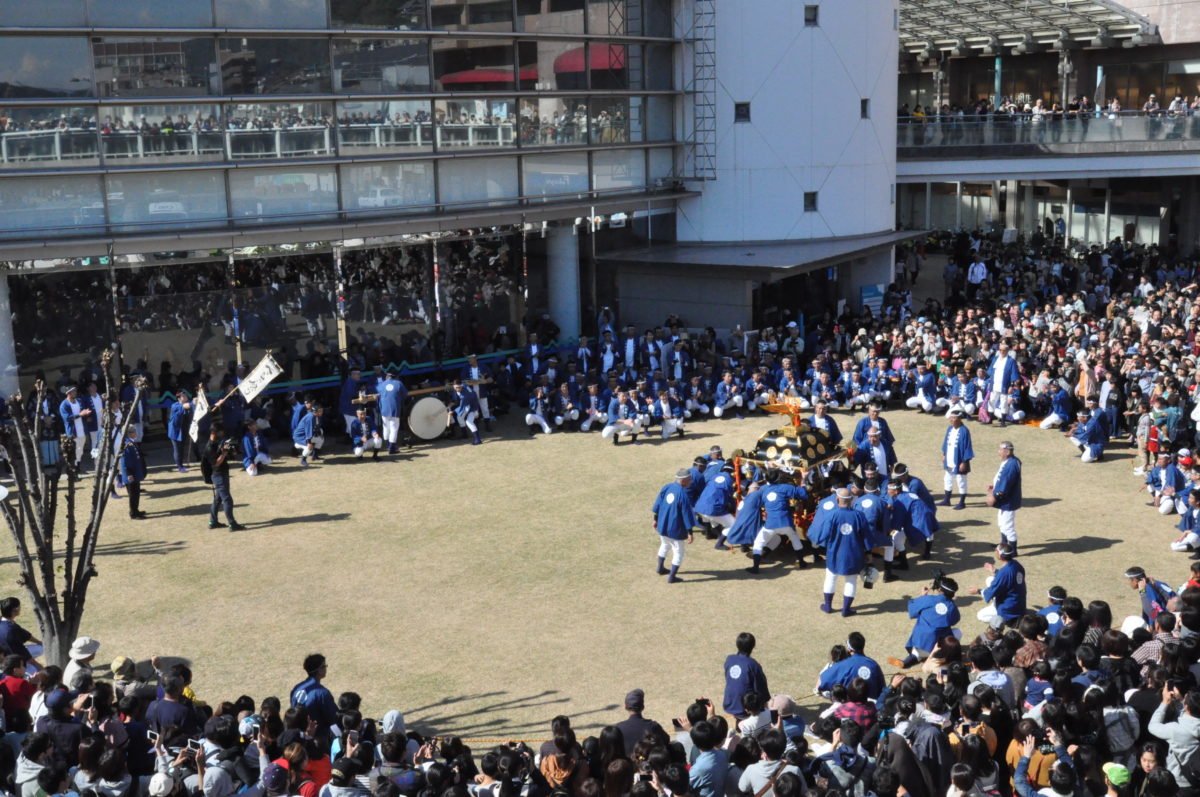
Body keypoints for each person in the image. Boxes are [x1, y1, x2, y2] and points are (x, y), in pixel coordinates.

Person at [811, 488, 871, 617]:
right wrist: (868, 552)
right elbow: (866, 536)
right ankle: (846, 609)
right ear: (851, 500)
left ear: (838, 499)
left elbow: (824, 535)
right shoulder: (859, 515)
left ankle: (827, 605)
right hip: (854, 553)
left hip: (835, 552)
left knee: (830, 578)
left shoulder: (831, 515)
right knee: (851, 581)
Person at [888, 574, 960, 669]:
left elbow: (912, 610)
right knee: (957, 633)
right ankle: (936, 658)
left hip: (920, 639)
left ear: (939, 590)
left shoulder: (929, 599)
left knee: (920, 650)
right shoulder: (952, 607)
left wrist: (922, 596)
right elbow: (954, 620)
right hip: (937, 643)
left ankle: (907, 661)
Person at [652, 469, 695, 584]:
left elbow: (658, 504)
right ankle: (672, 577)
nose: (691, 481)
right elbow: (687, 514)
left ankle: (660, 568)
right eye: (689, 479)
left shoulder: (667, 487)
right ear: (683, 481)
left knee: (664, 544)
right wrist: (690, 531)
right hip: (675, 528)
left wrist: (655, 519)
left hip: (663, 524)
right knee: (678, 552)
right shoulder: (683, 495)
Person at [969, 544, 1026, 627]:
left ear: (1000, 555)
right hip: (1018, 602)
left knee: (980, 615)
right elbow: (1008, 580)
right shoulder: (1016, 564)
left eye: (996, 550)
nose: (994, 551)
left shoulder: (1004, 573)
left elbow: (992, 591)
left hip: (1008, 608)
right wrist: (995, 571)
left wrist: (978, 591)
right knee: (989, 579)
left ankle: (1004, 619)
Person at [201, 424, 245, 531]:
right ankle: (232, 524)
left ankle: (213, 521)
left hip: (222, 474)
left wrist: (231, 450)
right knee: (227, 500)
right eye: (220, 432)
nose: (222, 434)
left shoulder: (217, 443)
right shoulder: (209, 447)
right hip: (219, 475)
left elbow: (230, 452)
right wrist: (224, 452)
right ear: (213, 433)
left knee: (218, 499)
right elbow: (216, 463)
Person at [722, 633, 768, 718]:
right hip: (745, 709)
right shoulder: (753, 664)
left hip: (729, 704)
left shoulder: (729, 659)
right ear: (753, 646)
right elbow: (761, 688)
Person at [289, 654, 337, 733]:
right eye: (324, 666)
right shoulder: (322, 693)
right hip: (317, 737)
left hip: (299, 734)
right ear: (319, 670)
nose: (326, 668)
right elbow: (332, 718)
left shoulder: (296, 688)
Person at [989, 440, 1023, 553]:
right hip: (1005, 500)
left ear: (1007, 452)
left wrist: (995, 496)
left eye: (1001, 449)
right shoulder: (1008, 461)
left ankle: (1012, 550)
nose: (999, 451)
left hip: (1008, 501)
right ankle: (1003, 544)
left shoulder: (1011, 464)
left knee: (1008, 526)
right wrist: (994, 486)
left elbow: (1006, 484)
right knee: (1001, 523)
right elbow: (1001, 478)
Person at [940, 409, 974, 510]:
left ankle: (962, 502)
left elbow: (967, 447)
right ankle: (947, 499)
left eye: (954, 418)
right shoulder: (949, 429)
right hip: (949, 459)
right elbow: (946, 442)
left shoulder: (964, 431)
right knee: (948, 478)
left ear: (959, 419)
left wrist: (964, 462)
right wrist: (944, 454)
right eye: (951, 417)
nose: (951, 420)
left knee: (961, 480)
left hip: (959, 460)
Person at [118, 429, 148, 520]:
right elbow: (125, 461)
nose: (136, 433)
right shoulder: (127, 445)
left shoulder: (131, 443)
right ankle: (133, 513)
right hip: (131, 474)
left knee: (136, 493)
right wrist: (129, 474)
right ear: (129, 434)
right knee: (133, 495)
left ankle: (136, 510)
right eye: (134, 431)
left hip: (135, 473)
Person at [57, 385, 90, 468]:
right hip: (73, 432)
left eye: (75, 391)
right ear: (68, 393)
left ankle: (78, 465)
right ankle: (73, 468)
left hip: (82, 430)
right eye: (73, 391)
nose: (75, 392)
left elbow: (83, 411)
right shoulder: (64, 405)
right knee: (73, 450)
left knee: (80, 450)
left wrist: (86, 413)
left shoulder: (79, 401)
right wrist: (80, 414)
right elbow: (67, 418)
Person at [376, 369, 408, 453]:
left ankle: (387, 445)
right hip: (395, 408)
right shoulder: (399, 383)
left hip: (384, 409)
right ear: (396, 377)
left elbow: (376, 393)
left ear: (387, 376)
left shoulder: (381, 384)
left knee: (386, 427)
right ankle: (392, 448)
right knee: (394, 428)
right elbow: (404, 395)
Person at [449, 380, 483, 445]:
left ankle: (478, 440)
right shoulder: (463, 384)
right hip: (469, 405)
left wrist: (453, 411)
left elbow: (462, 406)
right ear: (453, 387)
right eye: (456, 387)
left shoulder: (465, 396)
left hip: (473, 407)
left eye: (459, 387)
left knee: (469, 422)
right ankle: (465, 435)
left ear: (461, 386)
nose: (458, 389)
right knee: (459, 417)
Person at [166, 394, 193, 473]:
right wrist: (194, 403)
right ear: (179, 398)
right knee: (177, 449)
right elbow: (186, 406)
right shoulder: (175, 405)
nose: (186, 397)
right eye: (183, 396)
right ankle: (180, 466)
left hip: (184, 430)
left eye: (186, 396)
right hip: (175, 431)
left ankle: (181, 462)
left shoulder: (189, 405)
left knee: (182, 448)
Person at [292, 402, 325, 467]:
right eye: (320, 411)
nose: (322, 412)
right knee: (309, 447)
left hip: (305, 435)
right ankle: (303, 460)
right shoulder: (310, 418)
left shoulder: (315, 416)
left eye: (321, 410)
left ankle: (315, 456)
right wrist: (309, 443)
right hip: (300, 437)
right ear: (315, 412)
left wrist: (319, 433)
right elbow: (308, 431)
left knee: (320, 439)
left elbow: (317, 427)